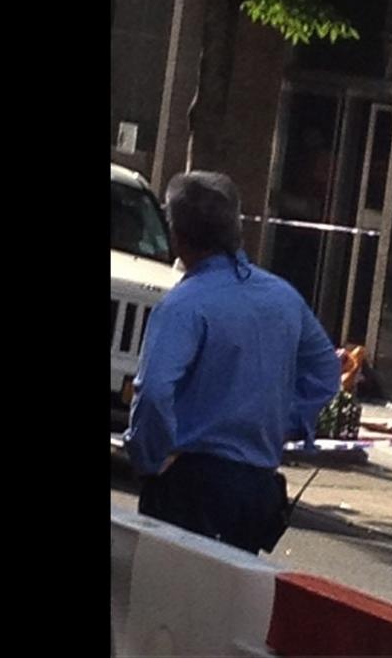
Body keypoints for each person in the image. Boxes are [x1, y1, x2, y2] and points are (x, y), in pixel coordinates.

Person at [123, 171, 340, 554]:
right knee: (230, 606)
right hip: (257, 486)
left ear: (176, 234)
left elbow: (155, 391)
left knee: (169, 604)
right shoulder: (282, 297)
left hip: (191, 481)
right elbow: (326, 371)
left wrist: (150, 457)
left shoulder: (185, 305)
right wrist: (284, 423)